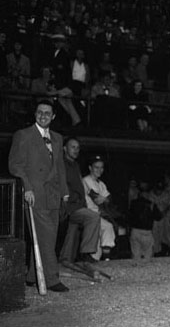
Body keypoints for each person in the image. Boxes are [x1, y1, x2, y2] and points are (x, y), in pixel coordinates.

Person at [8, 99, 70, 292]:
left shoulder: (58, 138)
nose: (43, 116)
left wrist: (65, 192)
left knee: (49, 238)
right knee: (46, 235)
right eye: (39, 112)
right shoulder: (23, 135)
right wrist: (27, 188)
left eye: (47, 113)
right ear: (35, 114)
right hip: (34, 194)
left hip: (53, 194)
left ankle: (32, 276)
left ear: (53, 116)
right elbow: (15, 165)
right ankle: (52, 279)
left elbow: (60, 167)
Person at [58, 137, 101, 266]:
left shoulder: (75, 165)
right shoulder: (61, 164)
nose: (76, 150)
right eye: (73, 147)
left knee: (71, 233)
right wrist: (71, 198)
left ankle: (65, 260)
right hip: (69, 206)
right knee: (93, 217)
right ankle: (86, 253)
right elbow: (59, 184)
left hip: (77, 205)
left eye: (77, 147)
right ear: (64, 148)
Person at [82, 155, 117, 261]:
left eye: (101, 167)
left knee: (97, 245)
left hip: (98, 215)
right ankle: (107, 259)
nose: (99, 170)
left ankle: (100, 262)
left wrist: (105, 200)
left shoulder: (101, 184)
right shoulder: (86, 180)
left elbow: (109, 199)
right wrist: (105, 199)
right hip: (89, 214)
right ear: (90, 168)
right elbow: (97, 200)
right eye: (96, 167)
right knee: (108, 227)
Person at [128, 180, 163, 260]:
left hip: (135, 231)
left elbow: (129, 217)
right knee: (147, 256)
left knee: (136, 257)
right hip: (147, 232)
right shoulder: (151, 204)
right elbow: (158, 217)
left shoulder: (133, 203)